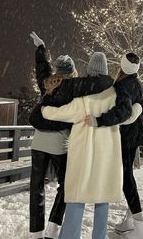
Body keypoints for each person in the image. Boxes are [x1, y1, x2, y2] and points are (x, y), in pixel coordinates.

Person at [41, 52, 143, 239]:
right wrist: (138, 109)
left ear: (89, 70)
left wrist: (45, 111)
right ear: (105, 70)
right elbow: (126, 115)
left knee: (77, 198)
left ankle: (70, 236)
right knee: (103, 199)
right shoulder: (116, 94)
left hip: (83, 154)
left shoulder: (83, 96)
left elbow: (64, 113)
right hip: (107, 155)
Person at [29, 33, 114, 239]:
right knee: (65, 186)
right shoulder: (73, 86)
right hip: (59, 143)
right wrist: (110, 78)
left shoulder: (47, 83)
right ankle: (53, 227)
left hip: (38, 142)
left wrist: (41, 49)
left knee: (36, 187)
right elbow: (96, 81)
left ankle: (36, 232)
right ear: (72, 71)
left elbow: (42, 71)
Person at [85, 53, 143, 239]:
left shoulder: (121, 86)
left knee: (126, 179)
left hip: (127, 137)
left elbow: (123, 112)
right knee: (127, 175)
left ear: (122, 66)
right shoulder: (136, 84)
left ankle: (140, 226)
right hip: (137, 134)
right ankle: (131, 221)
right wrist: (137, 107)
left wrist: (99, 120)